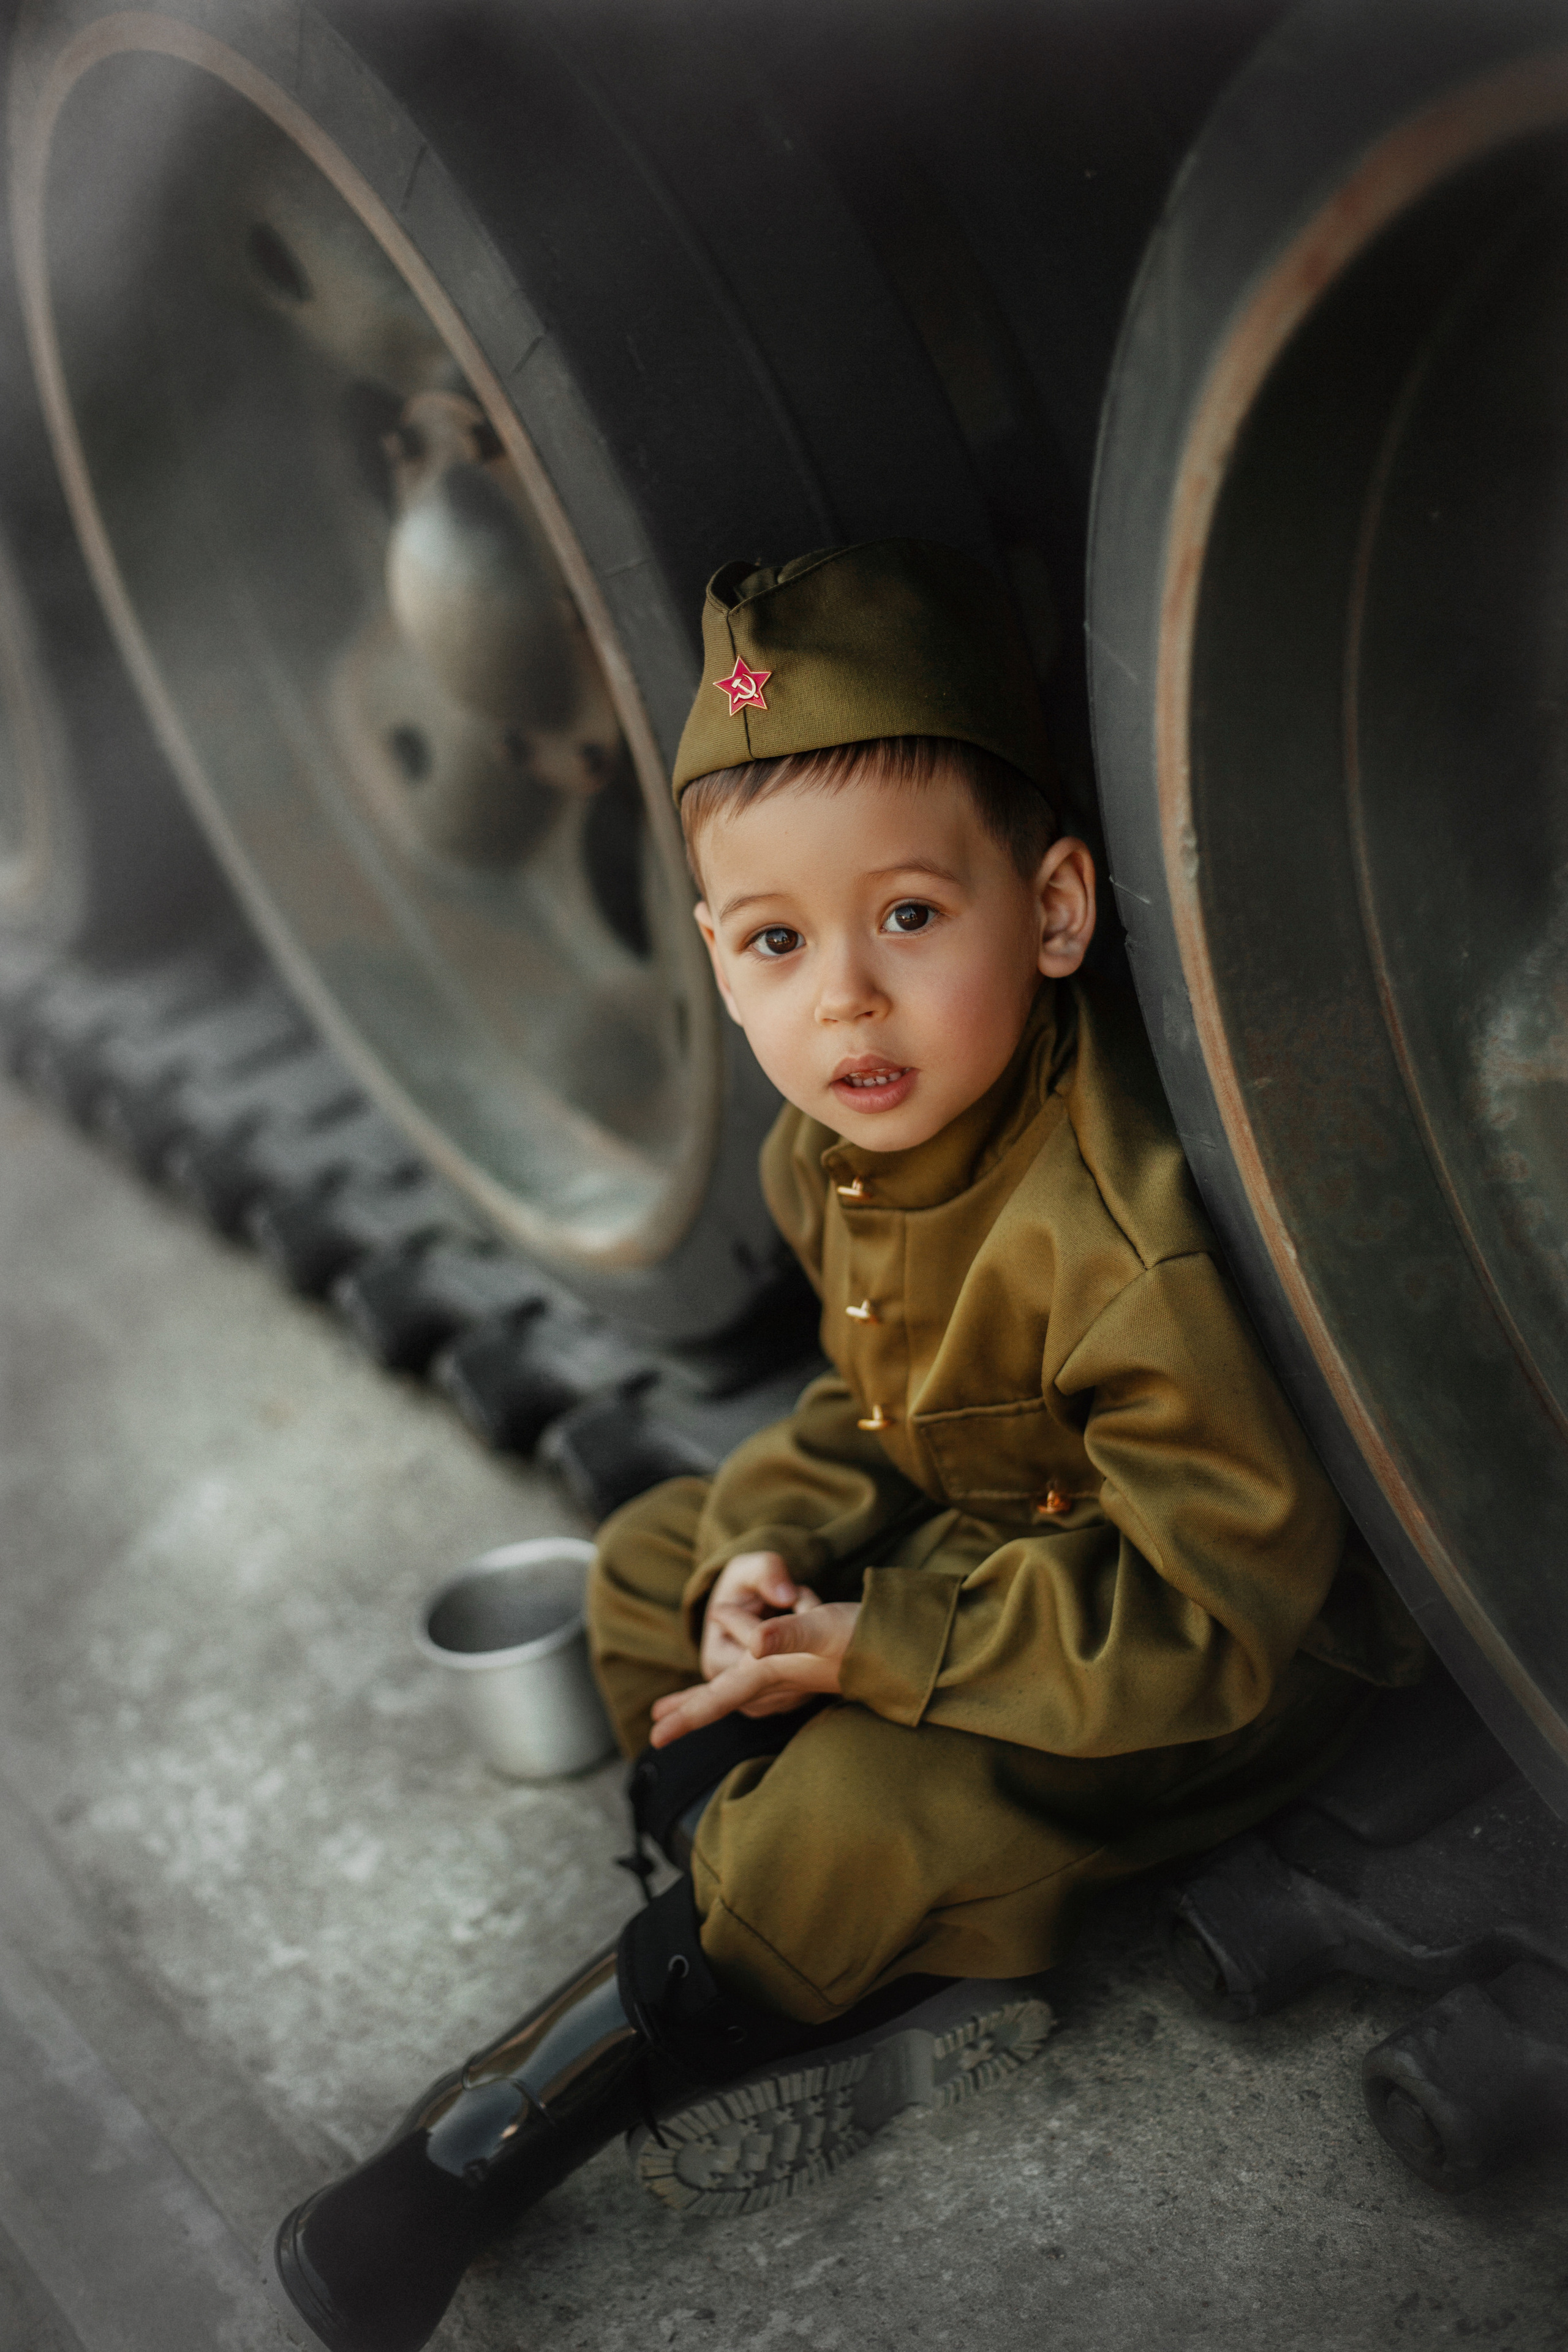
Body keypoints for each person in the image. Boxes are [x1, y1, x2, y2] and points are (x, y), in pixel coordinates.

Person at [264, 540, 1425, 2352]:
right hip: (997, 1543)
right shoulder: (837, 1148)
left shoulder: (1121, 1252)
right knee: (664, 1547)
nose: (848, 1006)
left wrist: (881, 1651)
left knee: (868, 1801)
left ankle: (512, 2121)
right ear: (719, 967)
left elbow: (1216, 1614)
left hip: (1199, 1654)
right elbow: (879, 1406)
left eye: (908, 917)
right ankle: (780, 1899)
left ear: (1050, 911)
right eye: (779, 944)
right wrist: (761, 1569)